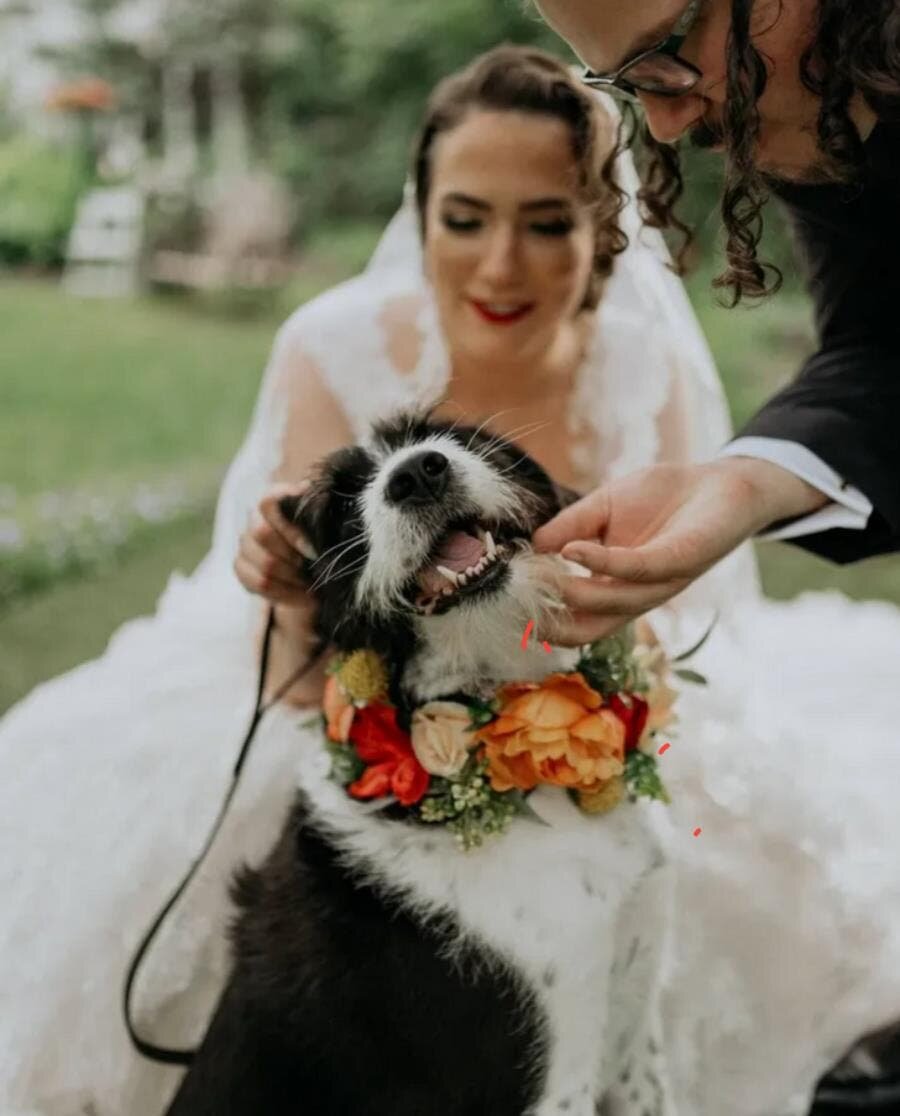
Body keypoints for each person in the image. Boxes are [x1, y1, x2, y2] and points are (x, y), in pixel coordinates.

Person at [0, 42, 896, 1116]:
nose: (501, 267)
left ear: (606, 230)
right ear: (418, 216)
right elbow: (316, 663)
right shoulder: (333, 343)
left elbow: (693, 622)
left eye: (549, 222)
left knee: (722, 851)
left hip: (590, 686)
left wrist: (603, 693)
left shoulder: (642, 356)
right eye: (465, 218)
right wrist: (289, 589)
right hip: (335, 688)